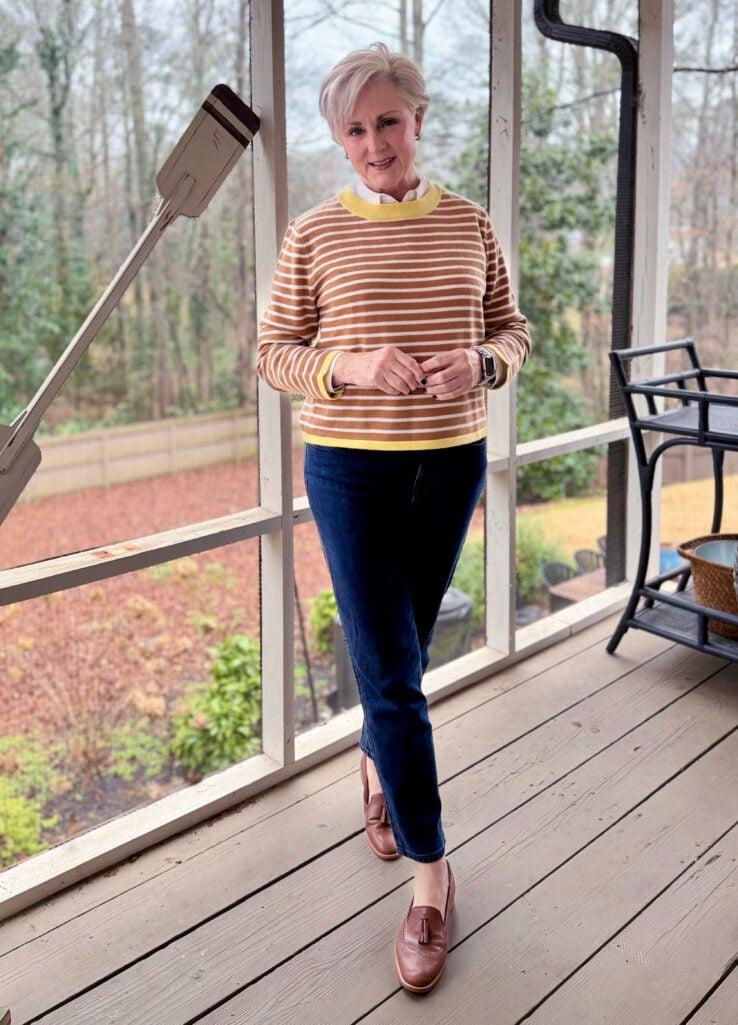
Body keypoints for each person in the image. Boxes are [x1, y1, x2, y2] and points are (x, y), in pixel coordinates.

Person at [257, 41, 530, 993]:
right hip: (350, 471)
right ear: (339, 140)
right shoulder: (314, 236)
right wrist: (350, 364)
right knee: (391, 670)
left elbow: (513, 328)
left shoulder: (469, 225)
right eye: (354, 129)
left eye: (387, 120)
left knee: (400, 657)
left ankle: (376, 776)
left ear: (418, 119)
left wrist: (483, 365)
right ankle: (431, 877)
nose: (373, 142)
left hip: (449, 463)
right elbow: (274, 352)